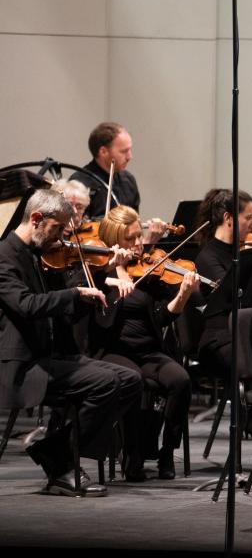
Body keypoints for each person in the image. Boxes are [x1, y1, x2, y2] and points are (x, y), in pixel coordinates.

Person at [0, 189, 141, 496]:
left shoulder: (38, 255)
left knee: (129, 379)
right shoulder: (4, 257)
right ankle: (63, 465)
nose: (61, 237)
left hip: (53, 356)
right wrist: (74, 295)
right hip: (23, 365)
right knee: (103, 381)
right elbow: (26, 305)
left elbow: (60, 300)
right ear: (36, 218)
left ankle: (54, 450)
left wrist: (89, 292)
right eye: (57, 229)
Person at [94, 205, 197, 481]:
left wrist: (183, 296)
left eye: (140, 236)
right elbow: (98, 321)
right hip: (113, 351)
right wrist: (113, 273)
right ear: (115, 240)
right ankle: (132, 452)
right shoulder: (98, 274)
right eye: (131, 238)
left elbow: (161, 317)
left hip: (148, 351)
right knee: (134, 380)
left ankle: (167, 451)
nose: (139, 243)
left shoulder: (148, 272)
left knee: (181, 380)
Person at [193, 188, 252, 375]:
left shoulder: (242, 252)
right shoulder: (207, 257)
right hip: (220, 338)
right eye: (248, 218)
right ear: (229, 218)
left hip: (244, 331)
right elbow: (232, 295)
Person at [69, 122, 167, 243]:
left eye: (130, 150)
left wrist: (148, 241)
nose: (129, 156)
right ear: (103, 151)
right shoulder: (80, 183)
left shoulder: (128, 181)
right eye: (124, 151)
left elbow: (133, 230)